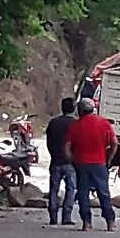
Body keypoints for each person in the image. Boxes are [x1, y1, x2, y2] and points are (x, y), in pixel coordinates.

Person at [64, 98, 118, 232]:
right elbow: (114, 143)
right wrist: (108, 158)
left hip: (82, 164)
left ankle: (86, 223)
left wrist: (72, 160)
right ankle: (110, 223)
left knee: (83, 193)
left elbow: (66, 147)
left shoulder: (75, 126)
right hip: (100, 163)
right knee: (103, 193)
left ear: (80, 110)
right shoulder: (104, 123)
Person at [44, 97, 78, 226]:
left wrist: (53, 153)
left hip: (55, 160)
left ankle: (53, 216)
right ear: (73, 109)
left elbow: (48, 142)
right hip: (70, 162)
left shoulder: (53, 123)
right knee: (70, 189)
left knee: (54, 189)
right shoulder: (75, 123)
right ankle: (66, 216)